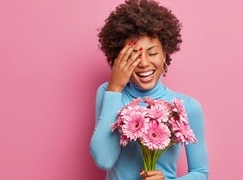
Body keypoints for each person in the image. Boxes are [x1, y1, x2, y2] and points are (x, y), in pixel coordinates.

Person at [89, 0, 209, 179]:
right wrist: (115, 88)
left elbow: (201, 173)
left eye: (152, 53)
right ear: (118, 58)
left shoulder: (187, 106)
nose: (144, 63)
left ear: (165, 55)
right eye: (133, 56)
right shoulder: (108, 92)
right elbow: (103, 160)